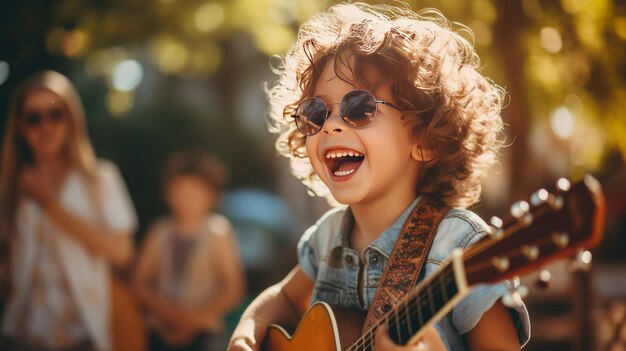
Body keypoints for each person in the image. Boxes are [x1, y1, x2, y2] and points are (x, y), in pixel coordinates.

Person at [228, 2, 530, 351]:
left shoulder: (458, 248)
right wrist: (245, 335)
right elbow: (282, 296)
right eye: (316, 112)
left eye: (359, 108)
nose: (331, 124)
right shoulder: (327, 239)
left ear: (425, 140)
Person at [0, 70, 138, 351]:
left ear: (72, 120)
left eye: (56, 114)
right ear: (20, 127)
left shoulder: (100, 179)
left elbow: (123, 252)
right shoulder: (10, 187)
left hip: (82, 336)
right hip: (21, 336)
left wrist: (51, 206)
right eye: (34, 117)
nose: (46, 126)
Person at [133, 151, 245, 351]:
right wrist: (170, 314)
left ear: (211, 196)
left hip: (204, 332)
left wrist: (193, 320)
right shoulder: (159, 230)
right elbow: (140, 283)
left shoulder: (218, 231)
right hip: (160, 330)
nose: (186, 200)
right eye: (180, 193)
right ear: (168, 194)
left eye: (194, 193)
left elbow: (233, 289)